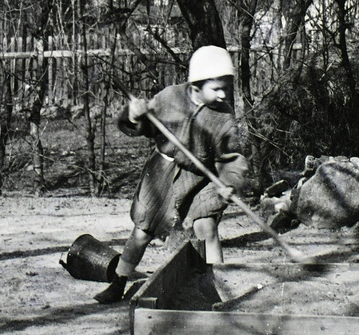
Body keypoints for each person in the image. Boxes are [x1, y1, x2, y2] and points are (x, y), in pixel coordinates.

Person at [93, 45, 249, 304]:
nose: (223, 94)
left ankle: (219, 287)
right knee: (142, 232)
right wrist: (135, 115)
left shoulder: (223, 117)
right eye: (216, 88)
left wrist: (229, 182)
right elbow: (141, 124)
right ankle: (119, 281)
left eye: (226, 87)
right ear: (196, 85)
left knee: (206, 227)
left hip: (203, 179)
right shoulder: (169, 98)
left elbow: (231, 157)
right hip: (163, 172)